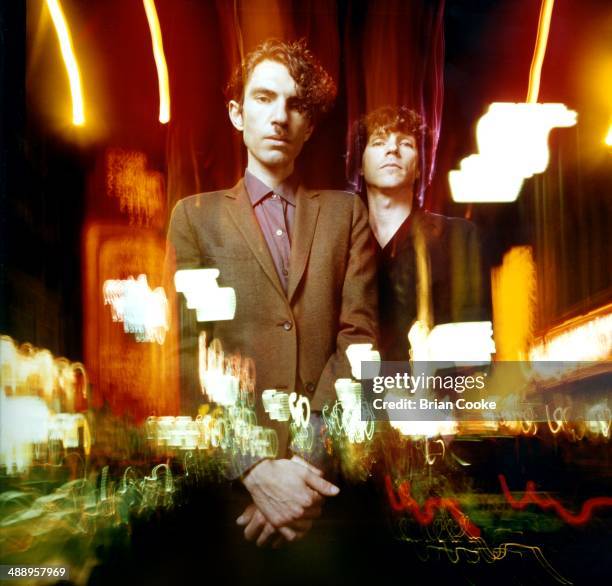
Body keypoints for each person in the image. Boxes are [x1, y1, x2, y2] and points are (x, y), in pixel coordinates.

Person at [165, 39, 378, 550]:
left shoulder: (347, 213)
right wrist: (254, 468)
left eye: (296, 104)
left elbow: (360, 342)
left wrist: (305, 467)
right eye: (263, 98)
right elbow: (189, 352)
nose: (279, 116)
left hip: (326, 497)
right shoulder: (194, 216)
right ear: (237, 113)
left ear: (309, 124)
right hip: (233, 502)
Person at [350, 105, 488, 362]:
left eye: (405, 143)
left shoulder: (458, 237)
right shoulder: (343, 243)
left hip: (437, 394)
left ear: (418, 168)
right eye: (379, 142)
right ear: (359, 164)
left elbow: (475, 352)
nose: (392, 149)